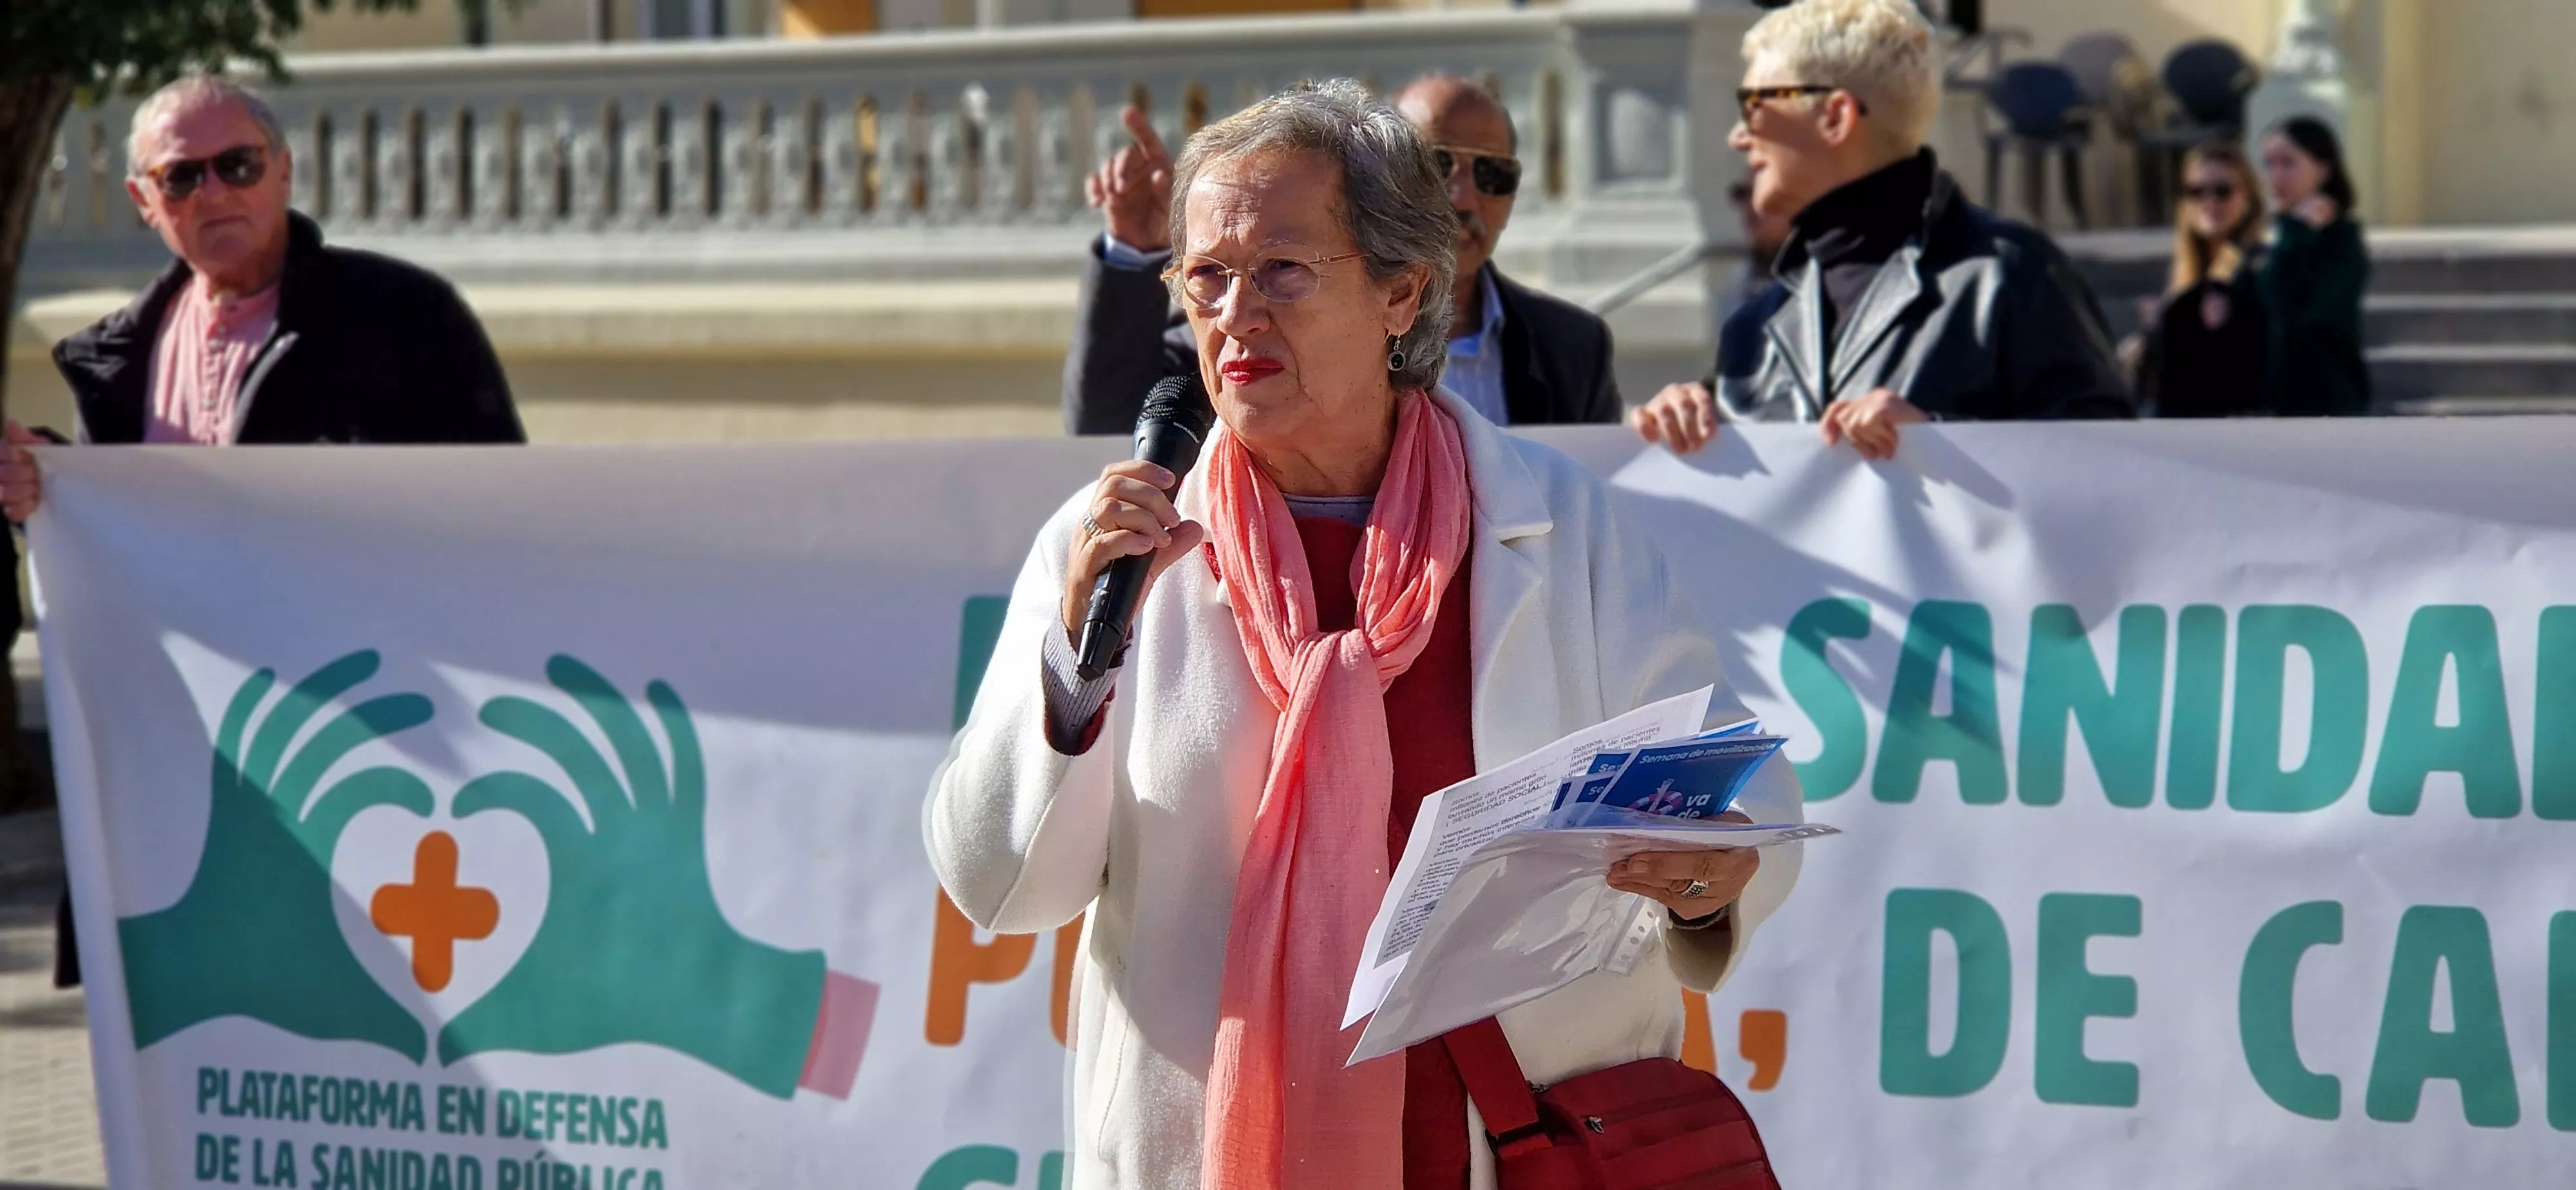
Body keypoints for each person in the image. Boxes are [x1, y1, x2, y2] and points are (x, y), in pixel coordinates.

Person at [929, 81, 1801, 1189]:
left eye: (1283, 269)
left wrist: (1704, 872)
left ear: (1403, 292)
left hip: (1514, 1148)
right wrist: (1074, 668)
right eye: (1205, 274)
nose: (1235, 312)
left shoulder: (1560, 527)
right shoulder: (1111, 542)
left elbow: (1737, 793)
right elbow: (1000, 888)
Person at [0, 73, 524, 988]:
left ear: (283, 171)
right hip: (180, 787)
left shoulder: (404, 320)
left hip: (380, 772)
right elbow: (120, 548)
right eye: (182, 177)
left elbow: (501, 515)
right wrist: (50, 488)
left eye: (237, 164)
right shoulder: (114, 361)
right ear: (144, 204)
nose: (214, 192)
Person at [1631, 0, 2130, 458]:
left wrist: (1939, 442)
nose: (1739, 135)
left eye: (1755, 106)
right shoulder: (1758, 325)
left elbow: (2113, 469)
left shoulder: (2008, 277)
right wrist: (1688, 415)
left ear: (1835, 116)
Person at [1061, 74, 1623, 435]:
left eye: (1493, 173)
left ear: (1403, 295)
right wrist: (1139, 249)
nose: (1462, 195)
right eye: (1438, 163)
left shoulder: (1572, 347)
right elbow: (1107, 427)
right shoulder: (1230, 331)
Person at [2128, 142, 2269, 417]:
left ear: (2249, 198)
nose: (2209, 202)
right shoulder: (2187, 272)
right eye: (2196, 192)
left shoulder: (2260, 267)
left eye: (2222, 191)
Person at [2257, 115, 2372, 417]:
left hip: (2327, 404)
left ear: (2322, 169)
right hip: (2271, 404)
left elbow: (2288, 304)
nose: (2276, 176)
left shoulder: (2341, 241)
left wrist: (2298, 232)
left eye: (2288, 163)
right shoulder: (2271, 234)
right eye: (2269, 164)